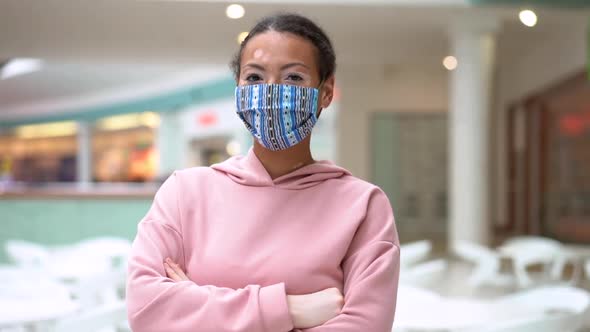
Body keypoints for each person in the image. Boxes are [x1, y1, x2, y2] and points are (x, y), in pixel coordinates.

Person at [126, 13, 400, 332]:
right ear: (239, 90)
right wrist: (288, 309)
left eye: (293, 78)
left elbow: (365, 326)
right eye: (254, 78)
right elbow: (147, 309)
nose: (270, 92)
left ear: (326, 92)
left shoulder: (363, 206)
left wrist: (197, 306)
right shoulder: (184, 191)